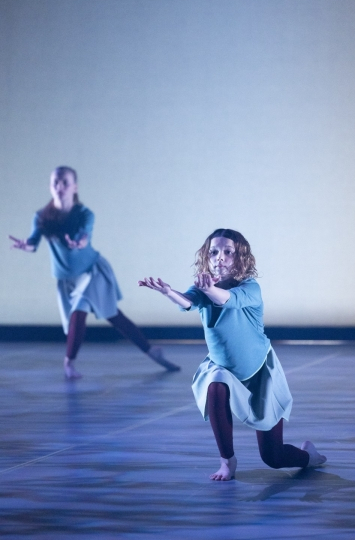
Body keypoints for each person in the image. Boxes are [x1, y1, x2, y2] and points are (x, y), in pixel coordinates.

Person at [139, 228, 326, 480]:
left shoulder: (250, 289)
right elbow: (187, 301)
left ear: (241, 259)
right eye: (214, 252)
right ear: (206, 257)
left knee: (273, 457)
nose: (220, 257)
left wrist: (208, 291)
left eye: (228, 252)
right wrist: (168, 292)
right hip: (223, 368)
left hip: (260, 372)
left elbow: (226, 298)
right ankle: (227, 461)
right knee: (214, 385)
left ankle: (309, 457)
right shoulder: (202, 289)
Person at [9, 166, 180, 379]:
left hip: (92, 273)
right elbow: (33, 244)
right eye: (55, 182)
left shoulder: (84, 213)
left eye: (64, 182)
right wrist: (24, 245)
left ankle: (68, 364)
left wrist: (79, 243)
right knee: (114, 316)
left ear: (74, 187)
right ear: (50, 186)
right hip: (67, 278)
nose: (59, 187)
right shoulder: (42, 216)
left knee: (80, 312)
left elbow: (84, 236)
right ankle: (151, 350)